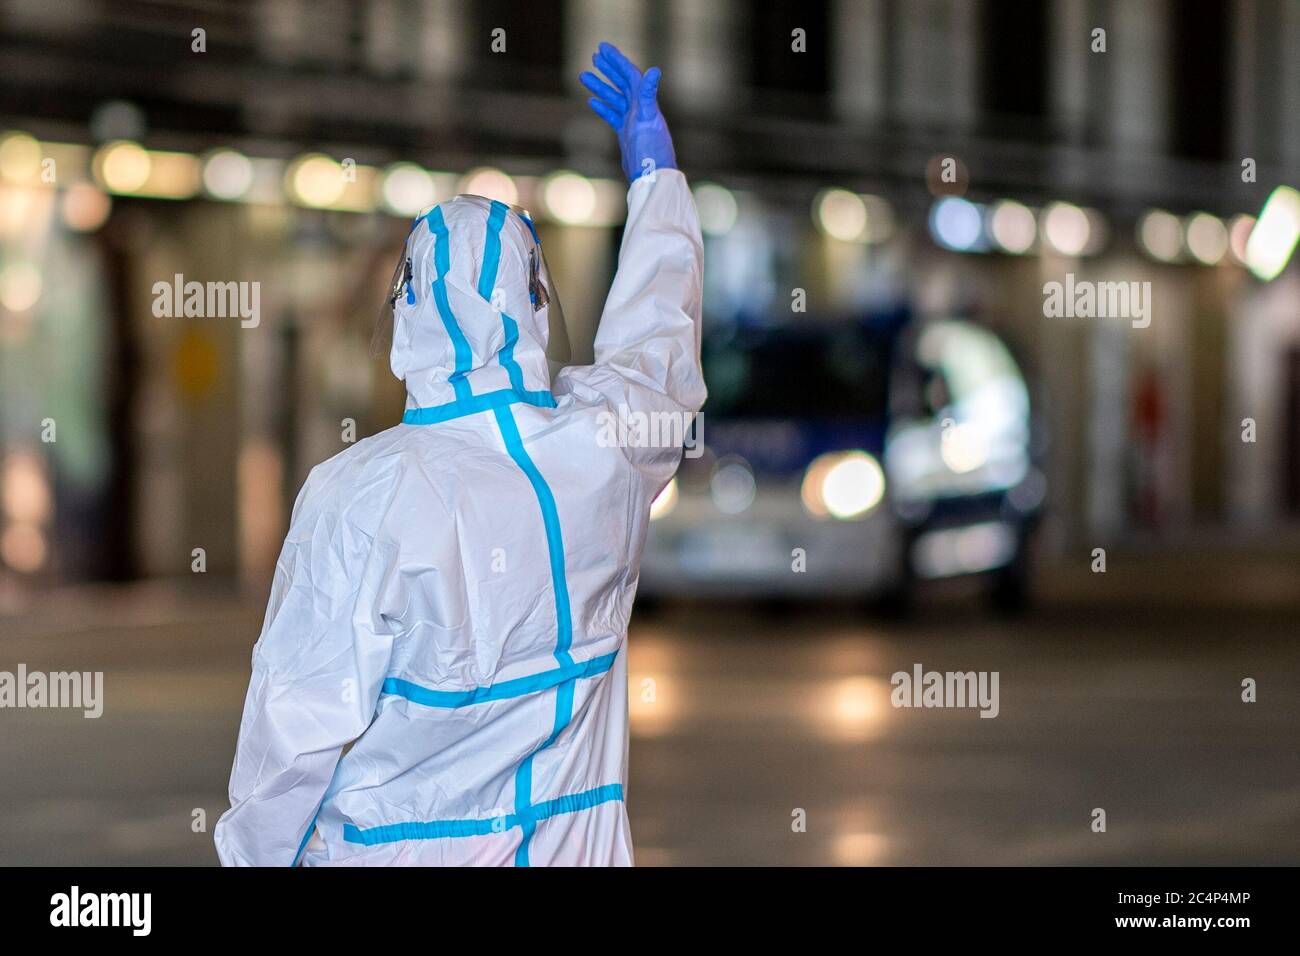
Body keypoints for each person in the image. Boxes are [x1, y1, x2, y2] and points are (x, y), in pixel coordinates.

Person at [213, 42, 705, 866]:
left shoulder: (357, 496)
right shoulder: (608, 448)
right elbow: (659, 341)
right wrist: (656, 180)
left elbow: (291, 736)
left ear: (405, 314)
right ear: (536, 304)